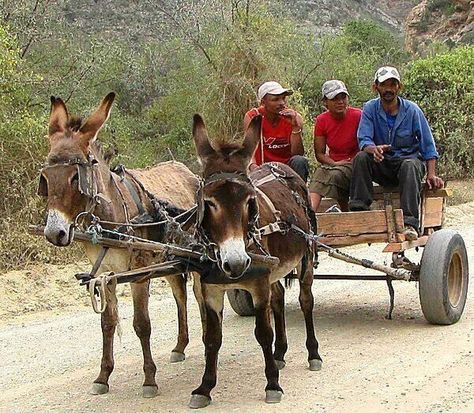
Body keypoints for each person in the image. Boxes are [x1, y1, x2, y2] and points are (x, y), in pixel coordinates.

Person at [349, 66, 444, 240]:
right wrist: (373, 149)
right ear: (375, 87)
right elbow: (364, 139)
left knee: (410, 165)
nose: (388, 89)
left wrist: (431, 174)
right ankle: (359, 210)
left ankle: (409, 223)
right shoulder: (370, 108)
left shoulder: (412, 110)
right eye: (384, 85)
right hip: (382, 163)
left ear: (398, 87)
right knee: (361, 157)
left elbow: (428, 146)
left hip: (407, 165)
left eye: (393, 85)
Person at [309, 80, 361, 212]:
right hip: (334, 164)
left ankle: (311, 214)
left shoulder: (358, 116)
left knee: (334, 175)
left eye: (343, 97)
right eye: (334, 99)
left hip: (356, 163)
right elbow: (319, 154)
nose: (340, 102)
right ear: (325, 102)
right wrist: (335, 163)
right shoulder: (322, 120)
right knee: (323, 172)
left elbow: (367, 142)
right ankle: (311, 214)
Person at [244, 81, 309, 181]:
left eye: (283, 98)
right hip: (264, 167)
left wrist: (296, 128)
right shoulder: (253, 116)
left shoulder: (293, 117)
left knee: (300, 161)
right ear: (263, 102)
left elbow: (297, 153)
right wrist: (253, 166)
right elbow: (250, 147)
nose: (282, 103)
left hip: (287, 168)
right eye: (275, 100)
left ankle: (300, 193)